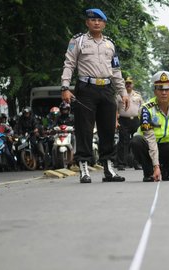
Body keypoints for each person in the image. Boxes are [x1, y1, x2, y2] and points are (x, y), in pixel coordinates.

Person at [60, 8, 128, 183]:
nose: (96, 23)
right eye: (93, 19)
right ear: (87, 22)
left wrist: (123, 92)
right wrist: (65, 87)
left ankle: (109, 168)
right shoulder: (78, 41)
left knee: (108, 129)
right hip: (86, 89)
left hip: (106, 89)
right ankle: (84, 167)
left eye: (100, 20)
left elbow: (116, 70)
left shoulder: (110, 44)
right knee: (84, 129)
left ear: (104, 24)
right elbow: (69, 64)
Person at [116, 76, 143, 170]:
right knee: (123, 142)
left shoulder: (138, 96)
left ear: (133, 84)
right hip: (123, 120)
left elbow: (142, 108)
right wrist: (116, 121)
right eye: (126, 83)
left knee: (137, 142)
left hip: (135, 120)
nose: (128, 85)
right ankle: (121, 164)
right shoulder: (119, 96)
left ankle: (137, 163)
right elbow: (115, 110)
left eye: (129, 83)